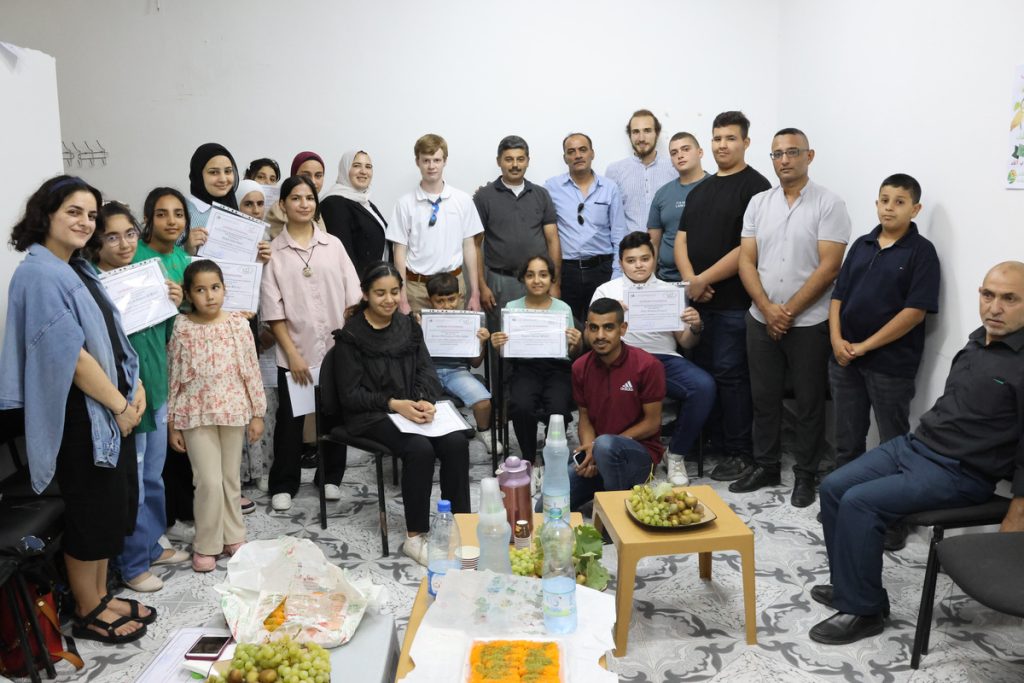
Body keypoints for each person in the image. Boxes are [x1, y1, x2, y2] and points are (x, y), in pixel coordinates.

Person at [811, 261, 1024, 645]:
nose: (994, 307)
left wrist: (1018, 509)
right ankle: (851, 587)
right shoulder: (978, 340)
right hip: (916, 446)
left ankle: (864, 610)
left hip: (961, 472)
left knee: (860, 502)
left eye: (1010, 299)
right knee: (834, 487)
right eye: (988, 294)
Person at [0, 175, 151, 644]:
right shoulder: (40, 272)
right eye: (73, 211)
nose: (85, 222)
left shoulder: (76, 268)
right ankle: (87, 610)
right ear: (45, 214)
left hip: (107, 412)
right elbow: (72, 358)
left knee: (110, 509)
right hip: (83, 416)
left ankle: (102, 595)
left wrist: (136, 384)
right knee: (91, 511)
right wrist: (120, 404)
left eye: (90, 214)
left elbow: (112, 339)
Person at [733, 128, 852, 507]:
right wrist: (768, 309)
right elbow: (746, 260)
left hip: (809, 322)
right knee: (763, 398)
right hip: (760, 316)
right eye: (777, 154)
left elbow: (830, 266)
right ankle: (766, 465)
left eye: (792, 152)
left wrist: (788, 312)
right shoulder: (758, 203)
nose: (783, 160)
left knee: (809, 402)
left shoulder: (829, 204)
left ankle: (806, 473)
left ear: (809, 156)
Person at [331, 262, 471, 566]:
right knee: (419, 450)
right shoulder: (351, 336)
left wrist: (424, 400)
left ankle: (461, 525)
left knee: (457, 441)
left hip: (410, 410)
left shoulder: (409, 326)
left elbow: (427, 371)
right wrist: (395, 404)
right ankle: (414, 536)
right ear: (365, 294)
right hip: (371, 414)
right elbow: (351, 396)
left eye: (395, 292)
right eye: (380, 293)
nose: (389, 299)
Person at [828, 173, 940, 548]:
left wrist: (864, 346)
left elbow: (914, 313)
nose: (889, 207)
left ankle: (894, 519)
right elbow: (838, 298)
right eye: (884, 200)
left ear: (915, 208)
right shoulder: (861, 244)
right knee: (847, 439)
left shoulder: (921, 253)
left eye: (899, 201)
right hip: (845, 359)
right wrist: (838, 341)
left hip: (890, 365)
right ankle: (843, 505)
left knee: (894, 444)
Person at [89, 202, 190, 592]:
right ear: (96, 242)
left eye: (130, 234)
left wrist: (174, 299)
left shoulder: (147, 274)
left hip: (158, 388)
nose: (124, 243)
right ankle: (132, 565)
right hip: (128, 398)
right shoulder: (96, 287)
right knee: (131, 482)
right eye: (111, 237)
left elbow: (162, 334)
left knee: (152, 478)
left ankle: (150, 546)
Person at [674, 111, 771, 482]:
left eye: (730, 138)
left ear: (746, 142)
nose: (722, 145)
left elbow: (748, 247)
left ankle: (739, 451)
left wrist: (703, 279)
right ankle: (712, 438)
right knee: (704, 374)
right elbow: (681, 240)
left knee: (732, 377)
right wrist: (691, 281)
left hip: (734, 304)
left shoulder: (757, 187)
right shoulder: (700, 189)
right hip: (699, 303)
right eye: (716, 138)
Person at [260, 175, 361, 511]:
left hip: (335, 351)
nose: (303, 203)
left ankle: (330, 477)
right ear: (283, 204)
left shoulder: (334, 246)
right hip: (296, 353)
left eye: (309, 198)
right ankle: (284, 482)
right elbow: (273, 313)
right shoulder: (273, 253)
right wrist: (292, 354)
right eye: (296, 197)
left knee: (334, 416)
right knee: (291, 421)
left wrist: (348, 344)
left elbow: (353, 298)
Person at [592, 231, 714, 487]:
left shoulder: (670, 291)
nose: (639, 265)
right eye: (631, 260)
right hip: (621, 358)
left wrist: (695, 326)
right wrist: (611, 316)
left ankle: (676, 453)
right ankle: (615, 453)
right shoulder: (606, 290)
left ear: (654, 259)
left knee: (703, 386)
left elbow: (686, 343)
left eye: (644, 258)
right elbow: (593, 340)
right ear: (621, 262)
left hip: (663, 359)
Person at [167, 260, 266, 571]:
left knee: (230, 480)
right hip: (195, 415)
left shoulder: (238, 324)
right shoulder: (182, 327)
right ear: (188, 294)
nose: (209, 296)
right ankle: (207, 543)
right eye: (200, 290)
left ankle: (234, 536)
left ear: (225, 289)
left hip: (234, 410)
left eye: (215, 288)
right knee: (207, 481)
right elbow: (174, 376)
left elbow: (251, 369)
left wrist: (257, 413)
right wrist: (172, 423)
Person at [136, 187, 197, 545]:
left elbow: (186, 314)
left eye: (178, 214)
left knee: (173, 448)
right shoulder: (136, 256)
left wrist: (183, 300)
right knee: (150, 460)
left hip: (176, 363)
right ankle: (153, 530)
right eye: (162, 214)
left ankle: (171, 518)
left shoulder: (181, 259)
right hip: (147, 364)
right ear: (148, 219)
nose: (171, 221)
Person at [490, 255, 582, 486]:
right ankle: (529, 458)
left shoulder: (563, 308)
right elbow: (505, 353)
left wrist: (576, 341)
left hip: (557, 368)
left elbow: (572, 352)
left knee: (558, 407)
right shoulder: (512, 308)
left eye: (543, 274)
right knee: (521, 405)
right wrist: (498, 343)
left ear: (551, 278)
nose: (537, 280)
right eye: (530, 275)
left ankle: (551, 460)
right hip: (524, 366)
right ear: (523, 279)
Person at [568, 298, 666, 511]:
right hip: (599, 452)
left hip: (640, 454)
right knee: (544, 507)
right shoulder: (579, 367)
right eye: (593, 328)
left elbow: (652, 422)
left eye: (608, 327)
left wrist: (599, 447)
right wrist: (590, 451)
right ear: (586, 329)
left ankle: (615, 517)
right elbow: (584, 417)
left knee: (605, 446)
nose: (600, 336)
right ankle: (608, 487)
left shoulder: (648, 365)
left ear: (623, 329)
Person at [387, 133, 483, 314]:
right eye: (426, 160)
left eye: (437, 160)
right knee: (415, 341)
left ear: (445, 161)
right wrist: (402, 297)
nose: (431, 166)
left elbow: (469, 247)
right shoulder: (405, 203)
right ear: (417, 162)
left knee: (453, 340)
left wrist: (475, 294)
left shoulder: (462, 200)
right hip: (417, 289)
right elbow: (399, 252)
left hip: (453, 289)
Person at [473, 135, 561, 331]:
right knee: (502, 338)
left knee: (538, 334)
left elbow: (553, 240)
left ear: (528, 161)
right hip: (499, 282)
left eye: (520, 159)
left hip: (538, 280)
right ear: (499, 161)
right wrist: (482, 287)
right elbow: (475, 245)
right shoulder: (484, 196)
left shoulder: (541, 194)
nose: (515, 165)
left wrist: (554, 282)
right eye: (509, 159)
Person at [545, 133, 627, 323]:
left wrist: (616, 276)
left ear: (592, 153)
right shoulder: (551, 187)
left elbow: (618, 235)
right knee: (568, 327)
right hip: (568, 272)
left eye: (583, 150)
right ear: (565, 158)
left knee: (603, 326)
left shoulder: (609, 188)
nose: (578, 155)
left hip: (602, 269)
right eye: (571, 152)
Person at [425, 272, 499, 454]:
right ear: (430, 301)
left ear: (460, 297)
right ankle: (425, 440)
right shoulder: (422, 321)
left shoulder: (469, 322)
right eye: (439, 301)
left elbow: (475, 363)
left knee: (483, 402)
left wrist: (481, 343)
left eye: (451, 299)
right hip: (427, 372)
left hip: (457, 371)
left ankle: (484, 432)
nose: (446, 306)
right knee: (415, 402)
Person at [647, 132, 709, 282]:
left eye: (686, 149)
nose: (680, 155)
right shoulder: (662, 194)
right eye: (674, 153)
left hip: (708, 279)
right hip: (668, 280)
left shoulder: (717, 188)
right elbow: (653, 244)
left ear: (700, 152)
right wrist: (651, 282)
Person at [606, 109, 678, 234]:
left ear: (657, 133)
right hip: (630, 249)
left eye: (647, 131)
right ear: (630, 135)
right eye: (635, 132)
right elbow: (610, 219)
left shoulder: (674, 168)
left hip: (667, 248)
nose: (641, 138)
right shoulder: (615, 171)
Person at [320, 149, 389, 274]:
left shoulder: (366, 202)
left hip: (375, 283)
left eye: (368, 167)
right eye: (356, 166)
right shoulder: (334, 203)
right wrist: (360, 290)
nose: (363, 171)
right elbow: (342, 256)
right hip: (357, 287)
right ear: (345, 169)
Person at [184, 142, 239, 254]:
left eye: (228, 171)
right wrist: (187, 249)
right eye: (213, 172)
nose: (223, 179)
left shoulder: (235, 211)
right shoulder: (182, 213)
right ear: (198, 175)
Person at [265, 152, 328, 239]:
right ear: (294, 175)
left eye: (318, 176)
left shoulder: (316, 207)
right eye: (306, 175)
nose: (313, 181)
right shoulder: (279, 210)